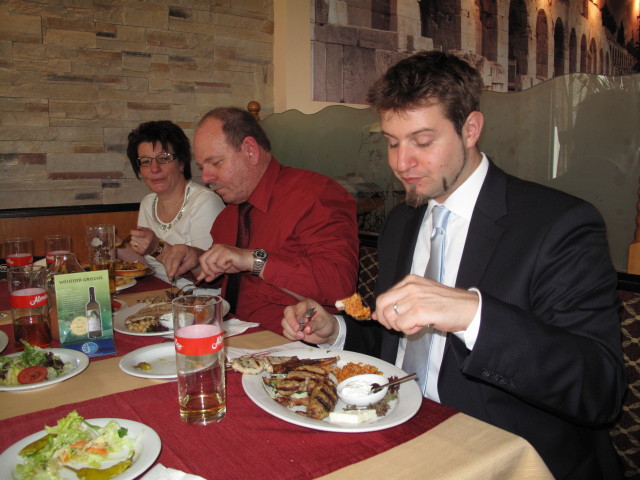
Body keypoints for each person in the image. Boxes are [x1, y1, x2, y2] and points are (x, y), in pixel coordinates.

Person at [282, 51, 626, 479]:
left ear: (470, 129)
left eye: (423, 142)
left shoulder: (558, 224)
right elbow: (398, 346)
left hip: (505, 457)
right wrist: (337, 331)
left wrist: (470, 314)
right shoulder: (403, 221)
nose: (400, 163)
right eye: (391, 141)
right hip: (395, 433)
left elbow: (599, 390)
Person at [164, 107, 360, 333]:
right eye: (202, 167)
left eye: (215, 163)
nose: (206, 177)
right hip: (233, 336)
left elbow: (340, 287)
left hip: (294, 347)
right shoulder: (228, 216)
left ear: (250, 151)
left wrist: (254, 260)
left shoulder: (316, 194)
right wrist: (197, 259)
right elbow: (226, 277)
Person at [120, 120, 225, 280]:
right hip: (159, 295)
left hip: (198, 299)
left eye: (163, 158)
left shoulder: (205, 203)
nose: (154, 169)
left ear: (182, 162)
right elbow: (147, 266)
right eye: (146, 162)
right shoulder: (148, 203)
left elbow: (209, 278)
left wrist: (157, 248)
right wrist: (112, 246)